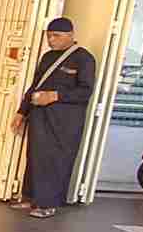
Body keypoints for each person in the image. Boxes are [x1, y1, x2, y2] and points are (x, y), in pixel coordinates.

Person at [8, 17, 96, 218]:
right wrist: (22, 112)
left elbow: (85, 92)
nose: (51, 40)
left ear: (71, 35)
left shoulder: (84, 58)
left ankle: (48, 204)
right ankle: (30, 197)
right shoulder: (48, 58)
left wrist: (55, 96)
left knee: (55, 159)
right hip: (40, 116)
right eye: (49, 36)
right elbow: (35, 86)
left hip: (65, 121)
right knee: (35, 156)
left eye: (56, 36)